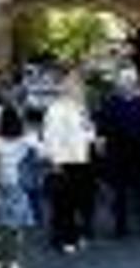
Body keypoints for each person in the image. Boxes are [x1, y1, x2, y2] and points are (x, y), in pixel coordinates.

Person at [96, 68, 140, 240]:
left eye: (130, 80)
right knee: (119, 193)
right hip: (118, 153)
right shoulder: (110, 102)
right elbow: (102, 125)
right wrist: (101, 141)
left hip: (139, 153)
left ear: (135, 83)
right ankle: (120, 227)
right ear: (118, 84)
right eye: (124, 80)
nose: (127, 84)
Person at [42, 70, 97, 254]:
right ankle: (62, 239)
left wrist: (93, 137)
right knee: (63, 204)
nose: (80, 89)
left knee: (75, 202)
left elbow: (87, 131)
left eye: (80, 85)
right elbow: (51, 137)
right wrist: (55, 161)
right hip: (65, 160)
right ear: (66, 88)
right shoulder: (57, 109)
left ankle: (72, 235)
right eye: (76, 85)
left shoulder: (79, 108)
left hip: (81, 159)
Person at [0, 105, 38, 268]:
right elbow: (43, 152)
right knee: (15, 225)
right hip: (17, 185)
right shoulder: (25, 140)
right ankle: (13, 260)